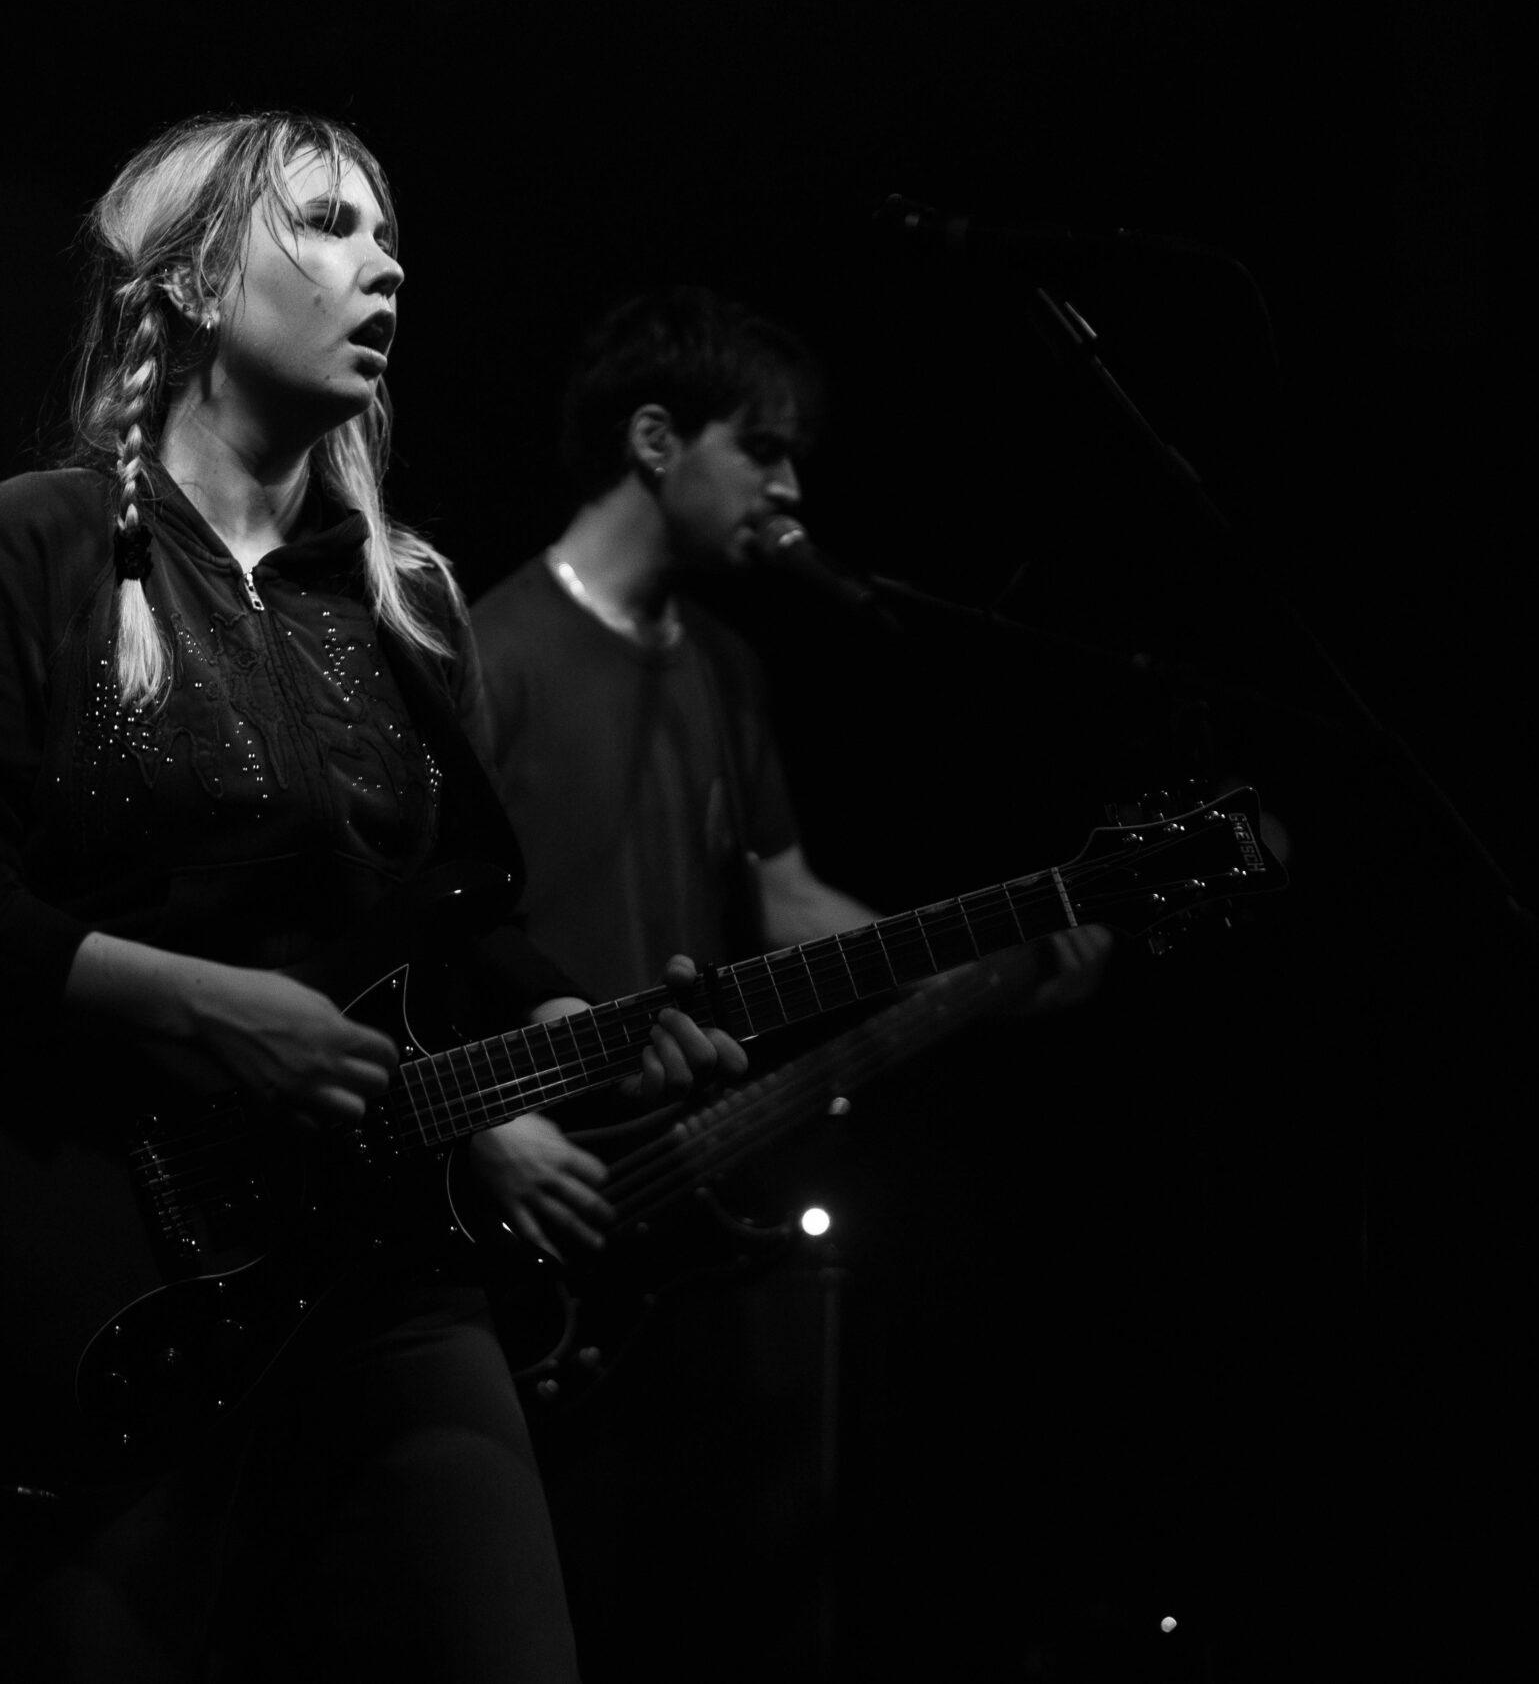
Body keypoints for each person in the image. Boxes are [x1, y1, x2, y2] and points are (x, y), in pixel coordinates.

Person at [0, 114, 741, 1683]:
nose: (384, 268)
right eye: (325, 223)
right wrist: (195, 1007)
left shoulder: (405, 596)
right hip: (85, 1262)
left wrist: (567, 1017)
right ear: (187, 282)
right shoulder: (37, 544)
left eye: (389, 239)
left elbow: (447, 918)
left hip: (376, 1256)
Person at [467, 287, 1112, 1671]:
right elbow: (413, 932)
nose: (791, 488)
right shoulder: (487, 651)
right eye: (761, 448)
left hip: (674, 1196)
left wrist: (982, 951)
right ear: (656, 440)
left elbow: (784, 897)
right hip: (520, 1194)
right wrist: (487, 1125)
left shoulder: (727, 669)